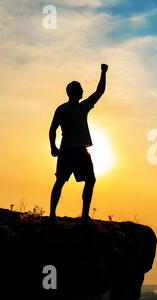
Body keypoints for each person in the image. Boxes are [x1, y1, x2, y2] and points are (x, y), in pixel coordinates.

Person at [49, 64, 108, 222]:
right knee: (61, 181)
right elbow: (52, 129)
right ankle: (53, 215)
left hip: (79, 151)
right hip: (69, 151)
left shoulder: (82, 107)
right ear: (74, 92)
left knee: (89, 180)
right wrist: (53, 147)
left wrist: (103, 73)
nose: (83, 91)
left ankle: (83, 215)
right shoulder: (63, 109)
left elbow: (99, 91)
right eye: (80, 89)